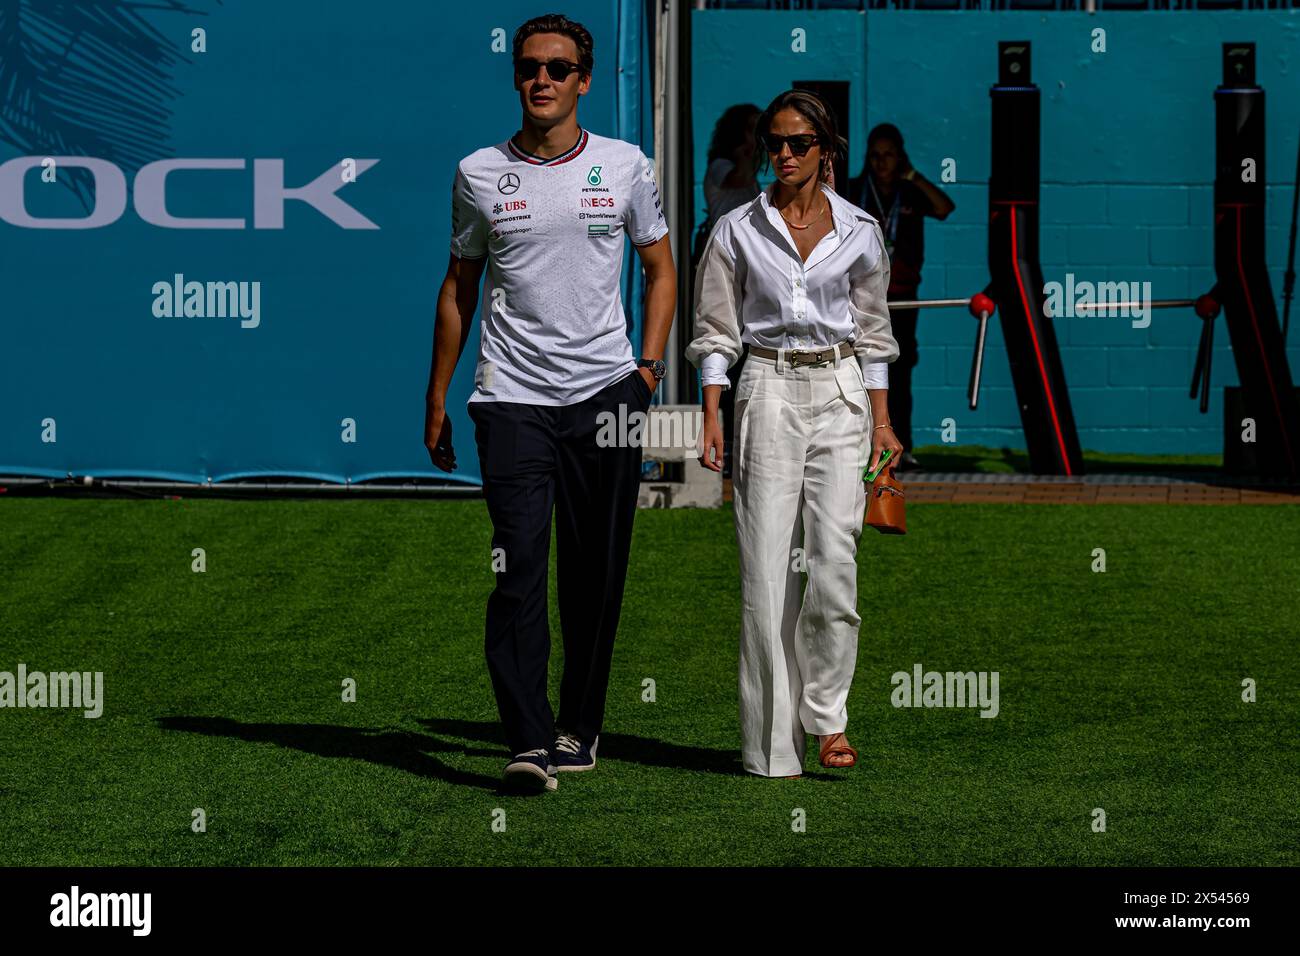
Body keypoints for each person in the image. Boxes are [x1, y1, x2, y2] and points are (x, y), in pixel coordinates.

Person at [423, 13, 676, 793]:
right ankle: (527, 739)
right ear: (515, 77)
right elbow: (459, 286)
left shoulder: (627, 165)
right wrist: (438, 397)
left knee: (594, 572)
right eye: (529, 67)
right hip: (511, 398)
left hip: (606, 393)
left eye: (559, 68)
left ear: (584, 80)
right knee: (518, 566)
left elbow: (662, 270)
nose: (542, 79)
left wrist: (647, 371)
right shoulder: (477, 172)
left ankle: (580, 724)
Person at [690, 90, 902, 779]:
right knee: (765, 573)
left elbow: (874, 336)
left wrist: (883, 423)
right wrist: (713, 408)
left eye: (798, 144)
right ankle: (771, 752)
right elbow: (716, 331)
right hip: (767, 391)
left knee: (834, 566)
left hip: (841, 394)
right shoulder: (736, 229)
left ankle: (828, 717)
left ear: (826, 151)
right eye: (774, 144)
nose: (783, 155)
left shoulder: (862, 230)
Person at [848, 123, 954, 470]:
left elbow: (944, 208)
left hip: (903, 298)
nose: (881, 163)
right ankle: (859, 441)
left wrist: (915, 176)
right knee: (859, 368)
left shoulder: (909, 192)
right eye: (875, 156)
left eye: (889, 155)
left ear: (901, 157)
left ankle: (901, 444)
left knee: (900, 369)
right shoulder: (854, 191)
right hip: (860, 297)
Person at [693, 104, 762, 478]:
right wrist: (750, 150)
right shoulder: (724, 165)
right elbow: (738, 179)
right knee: (719, 339)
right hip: (723, 261)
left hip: (747, 265)